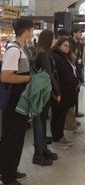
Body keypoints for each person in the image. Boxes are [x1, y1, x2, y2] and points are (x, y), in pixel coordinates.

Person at [0, 18, 34, 185]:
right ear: (26, 31)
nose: (33, 33)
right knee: (12, 139)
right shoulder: (14, 51)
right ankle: (8, 177)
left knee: (15, 138)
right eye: (32, 30)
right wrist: (29, 78)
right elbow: (5, 76)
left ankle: (9, 169)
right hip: (14, 103)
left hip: (20, 102)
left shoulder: (20, 49)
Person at [33, 30, 60, 165]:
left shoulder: (44, 52)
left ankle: (43, 149)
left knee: (43, 121)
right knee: (40, 122)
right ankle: (40, 152)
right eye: (54, 38)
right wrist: (57, 91)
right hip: (43, 92)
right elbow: (49, 74)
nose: (55, 40)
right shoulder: (43, 54)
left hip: (44, 91)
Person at [52, 37, 80, 149]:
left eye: (68, 46)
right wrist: (76, 81)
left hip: (68, 91)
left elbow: (71, 70)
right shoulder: (57, 57)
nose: (67, 47)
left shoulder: (64, 57)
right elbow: (64, 74)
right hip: (62, 91)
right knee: (58, 116)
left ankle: (60, 137)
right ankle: (56, 139)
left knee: (62, 115)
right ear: (58, 46)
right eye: (65, 45)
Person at [69, 27, 84, 117]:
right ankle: (70, 115)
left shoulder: (80, 44)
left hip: (78, 69)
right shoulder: (69, 43)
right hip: (71, 70)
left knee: (77, 91)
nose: (80, 34)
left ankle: (76, 111)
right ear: (74, 33)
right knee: (71, 93)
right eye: (79, 32)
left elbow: (80, 56)